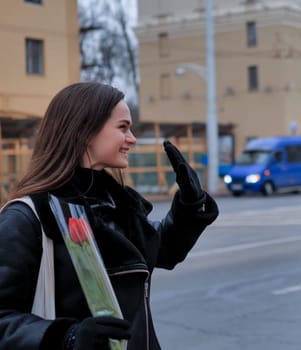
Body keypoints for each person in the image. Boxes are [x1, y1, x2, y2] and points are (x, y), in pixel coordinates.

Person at [0, 82, 219, 350]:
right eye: (123, 128)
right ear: (85, 130)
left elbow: (162, 250)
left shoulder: (117, 202)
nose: (132, 138)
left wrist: (190, 205)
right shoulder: (27, 217)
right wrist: (68, 337)